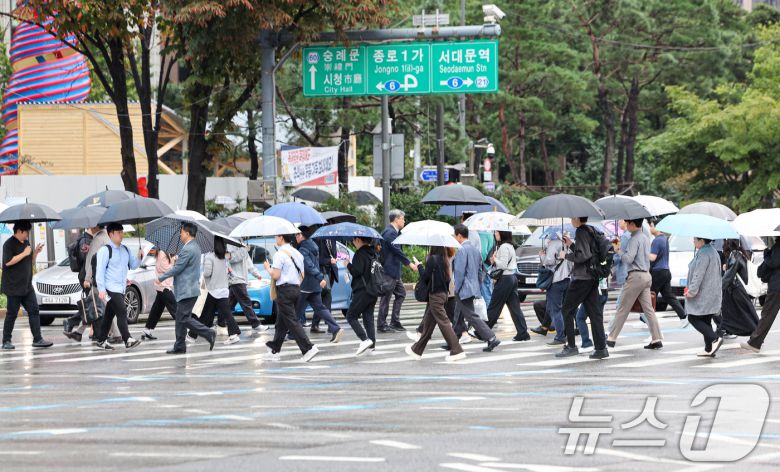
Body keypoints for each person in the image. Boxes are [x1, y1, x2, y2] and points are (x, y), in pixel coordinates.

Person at [158, 222, 216, 354]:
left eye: (182, 232)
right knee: (180, 318)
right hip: (188, 289)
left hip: (187, 289)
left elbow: (178, 269)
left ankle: (208, 333)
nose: (180, 234)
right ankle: (179, 345)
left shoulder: (188, 248)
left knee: (183, 318)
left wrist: (161, 277)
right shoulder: (194, 247)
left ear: (188, 233)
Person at [556, 217, 609, 359]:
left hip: (582, 278)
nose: (571, 220)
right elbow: (587, 252)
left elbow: (583, 256)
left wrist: (565, 255)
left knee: (567, 309)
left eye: (572, 218)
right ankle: (601, 348)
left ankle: (571, 346)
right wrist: (572, 245)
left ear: (577, 218)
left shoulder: (581, 231)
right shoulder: (591, 230)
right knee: (594, 313)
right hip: (592, 276)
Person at [607, 218, 664, 350]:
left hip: (636, 276)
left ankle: (611, 338)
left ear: (632, 224)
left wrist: (618, 250)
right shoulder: (645, 237)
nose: (626, 225)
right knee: (648, 310)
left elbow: (628, 258)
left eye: (627, 223)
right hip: (646, 275)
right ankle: (656, 339)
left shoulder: (634, 239)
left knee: (623, 308)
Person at [263, 232, 319, 362]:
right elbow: (302, 275)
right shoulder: (297, 253)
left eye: (276, 236)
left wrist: (267, 268)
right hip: (296, 289)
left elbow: (275, 275)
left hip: (284, 291)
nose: (275, 238)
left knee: (292, 321)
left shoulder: (279, 254)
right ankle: (275, 349)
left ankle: (308, 348)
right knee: (282, 321)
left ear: (281, 237)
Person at [405, 246, 465, 362]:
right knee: (428, 325)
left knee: (444, 322)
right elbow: (447, 280)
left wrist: (420, 266)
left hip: (435, 296)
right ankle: (416, 350)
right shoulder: (444, 259)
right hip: (443, 294)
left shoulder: (433, 259)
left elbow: (425, 277)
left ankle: (457, 350)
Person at [2, 221, 53, 350]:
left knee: (34, 310)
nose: (28, 235)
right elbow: (7, 262)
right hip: (14, 286)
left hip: (26, 286)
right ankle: (6, 340)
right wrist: (24, 253)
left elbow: (30, 262)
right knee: (12, 313)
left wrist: (35, 253)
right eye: (27, 232)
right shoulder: (8, 244)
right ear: (20, 231)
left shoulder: (26, 244)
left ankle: (38, 339)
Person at [68, 224, 122, 343]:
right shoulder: (108, 238)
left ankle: (118, 335)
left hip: (99, 280)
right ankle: (79, 332)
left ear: (95, 227)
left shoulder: (97, 240)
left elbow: (91, 259)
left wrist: (87, 278)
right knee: (90, 304)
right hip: (108, 277)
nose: (89, 227)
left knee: (105, 306)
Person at [93, 223, 143, 350]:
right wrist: (101, 289)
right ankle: (127, 339)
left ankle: (101, 340)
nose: (122, 234)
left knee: (109, 315)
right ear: (111, 234)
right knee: (122, 310)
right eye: (119, 232)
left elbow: (133, 265)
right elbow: (100, 271)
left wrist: (139, 257)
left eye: (122, 232)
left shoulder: (125, 249)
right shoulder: (105, 250)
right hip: (110, 288)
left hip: (121, 288)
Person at [452, 224, 500, 352]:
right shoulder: (475, 250)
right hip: (473, 287)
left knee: (471, 316)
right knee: (459, 313)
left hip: (464, 288)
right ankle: (452, 339)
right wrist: (477, 286)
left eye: (454, 235)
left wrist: (457, 287)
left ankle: (491, 337)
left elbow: (459, 271)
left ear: (459, 236)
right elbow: (480, 271)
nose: (454, 238)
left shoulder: (462, 250)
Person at [294, 227, 343, 343]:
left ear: (301, 235)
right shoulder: (313, 245)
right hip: (315, 285)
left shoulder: (303, 249)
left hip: (306, 285)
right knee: (320, 308)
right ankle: (336, 328)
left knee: (296, 310)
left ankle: (292, 334)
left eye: (296, 234)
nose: (295, 237)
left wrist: (319, 276)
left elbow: (309, 265)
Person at [194, 237, 243, 345]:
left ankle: (192, 334)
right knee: (213, 312)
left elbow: (207, 273)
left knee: (206, 312)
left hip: (213, 289)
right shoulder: (224, 256)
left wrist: (203, 272)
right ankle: (233, 334)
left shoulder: (209, 256)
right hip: (223, 289)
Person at [377, 209, 418, 333]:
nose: (404, 221)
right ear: (396, 219)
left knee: (401, 294)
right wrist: (409, 264)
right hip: (389, 271)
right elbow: (397, 251)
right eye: (402, 219)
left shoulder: (394, 232)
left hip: (394, 271)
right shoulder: (390, 233)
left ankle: (394, 321)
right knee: (386, 297)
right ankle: (381, 324)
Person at [486, 231, 530, 342]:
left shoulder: (504, 247)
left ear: (502, 233)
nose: (495, 233)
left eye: (497, 232)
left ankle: (483, 332)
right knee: (514, 308)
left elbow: (503, 265)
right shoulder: (509, 246)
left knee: (494, 306)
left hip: (505, 279)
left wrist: (494, 259)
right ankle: (523, 332)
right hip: (511, 278)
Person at [685, 237, 724, 357]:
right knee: (705, 319)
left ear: (701, 240)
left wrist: (692, 291)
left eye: (695, 239)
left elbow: (698, 274)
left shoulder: (703, 254)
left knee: (693, 318)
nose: (693, 241)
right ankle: (708, 349)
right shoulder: (713, 251)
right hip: (713, 291)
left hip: (704, 293)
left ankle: (715, 338)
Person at [742, 237, 780, 353]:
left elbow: (774, 262)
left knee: (767, 315)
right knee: (767, 314)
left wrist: (767, 253)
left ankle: (755, 343)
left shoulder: (778, 246)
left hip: (777, 286)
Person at [649, 219, 688, 328]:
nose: (650, 228)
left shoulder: (657, 240)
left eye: (651, 226)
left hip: (657, 272)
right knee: (668, 296)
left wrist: (642, 253)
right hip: (666, 271)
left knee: (650, 296)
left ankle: (648, 319)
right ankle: (683, 316)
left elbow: (652, 257)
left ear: (657, 227)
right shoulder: (665, 239)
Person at [344, 236, 379, 356]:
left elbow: (356, 271)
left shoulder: (360, 253)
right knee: (368, 317)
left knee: (351, 316)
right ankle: (372, 345)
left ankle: (365, 340)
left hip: (362, 291)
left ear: (358, 240)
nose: (353, 243)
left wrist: (348, 264)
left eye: (353, 240)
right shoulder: (373, 253)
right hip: (373, 290)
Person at [62, 225, 98, 337]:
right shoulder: (86, 240)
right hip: (86, 276)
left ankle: (87, 330)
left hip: (89, 275)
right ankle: (71, 321)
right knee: (92, 305)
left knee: (93, 304)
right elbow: (86, 258)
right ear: (92, 227)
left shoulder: (90, 239)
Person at [719, 239, 759, 338]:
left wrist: (719, 287)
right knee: (743, 314)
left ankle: (758, 335)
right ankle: (723, 331)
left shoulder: (735, 255)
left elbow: (730, 274)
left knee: (745, 315)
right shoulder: (739, 254)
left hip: (736, 290)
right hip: (735, 290)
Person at [540, 232, 572, 347]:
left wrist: (542, 255)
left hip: (556, 280)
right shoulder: (569, 244)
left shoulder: (553, 244)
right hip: (567, 279)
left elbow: (549, 261)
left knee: (555, 310)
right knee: (564, 309)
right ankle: (567, 333)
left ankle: (560, 336)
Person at [227, 244, 267, 333]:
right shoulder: (230, 244)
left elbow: (249, 263)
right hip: (236, 278)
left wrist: (257, 274)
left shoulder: (242, 247)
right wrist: (244, 250)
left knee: (228, 305)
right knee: (246, 302)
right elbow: (231, 258)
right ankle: (256, 324)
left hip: (240, 279)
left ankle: (221, 322)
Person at [140, 248, 177, 341]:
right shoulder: (161, 253)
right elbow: (163, 268)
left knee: (157, 309)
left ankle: (147, 329)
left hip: (164, 285)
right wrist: (172, 263)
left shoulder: (166, 252)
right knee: (175, 308)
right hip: (163, 286)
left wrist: (174, 259)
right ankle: (185, 328)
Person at [311, 236, 339, 333]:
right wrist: (329, 260)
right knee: (327, 297)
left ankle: (314, 324)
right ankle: (331, 325)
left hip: (330, 272)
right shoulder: (318, 240)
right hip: (321, 273)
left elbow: (334, 254)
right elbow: (316, 259)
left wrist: (334, 260)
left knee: (321, 299)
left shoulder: (333, 239)